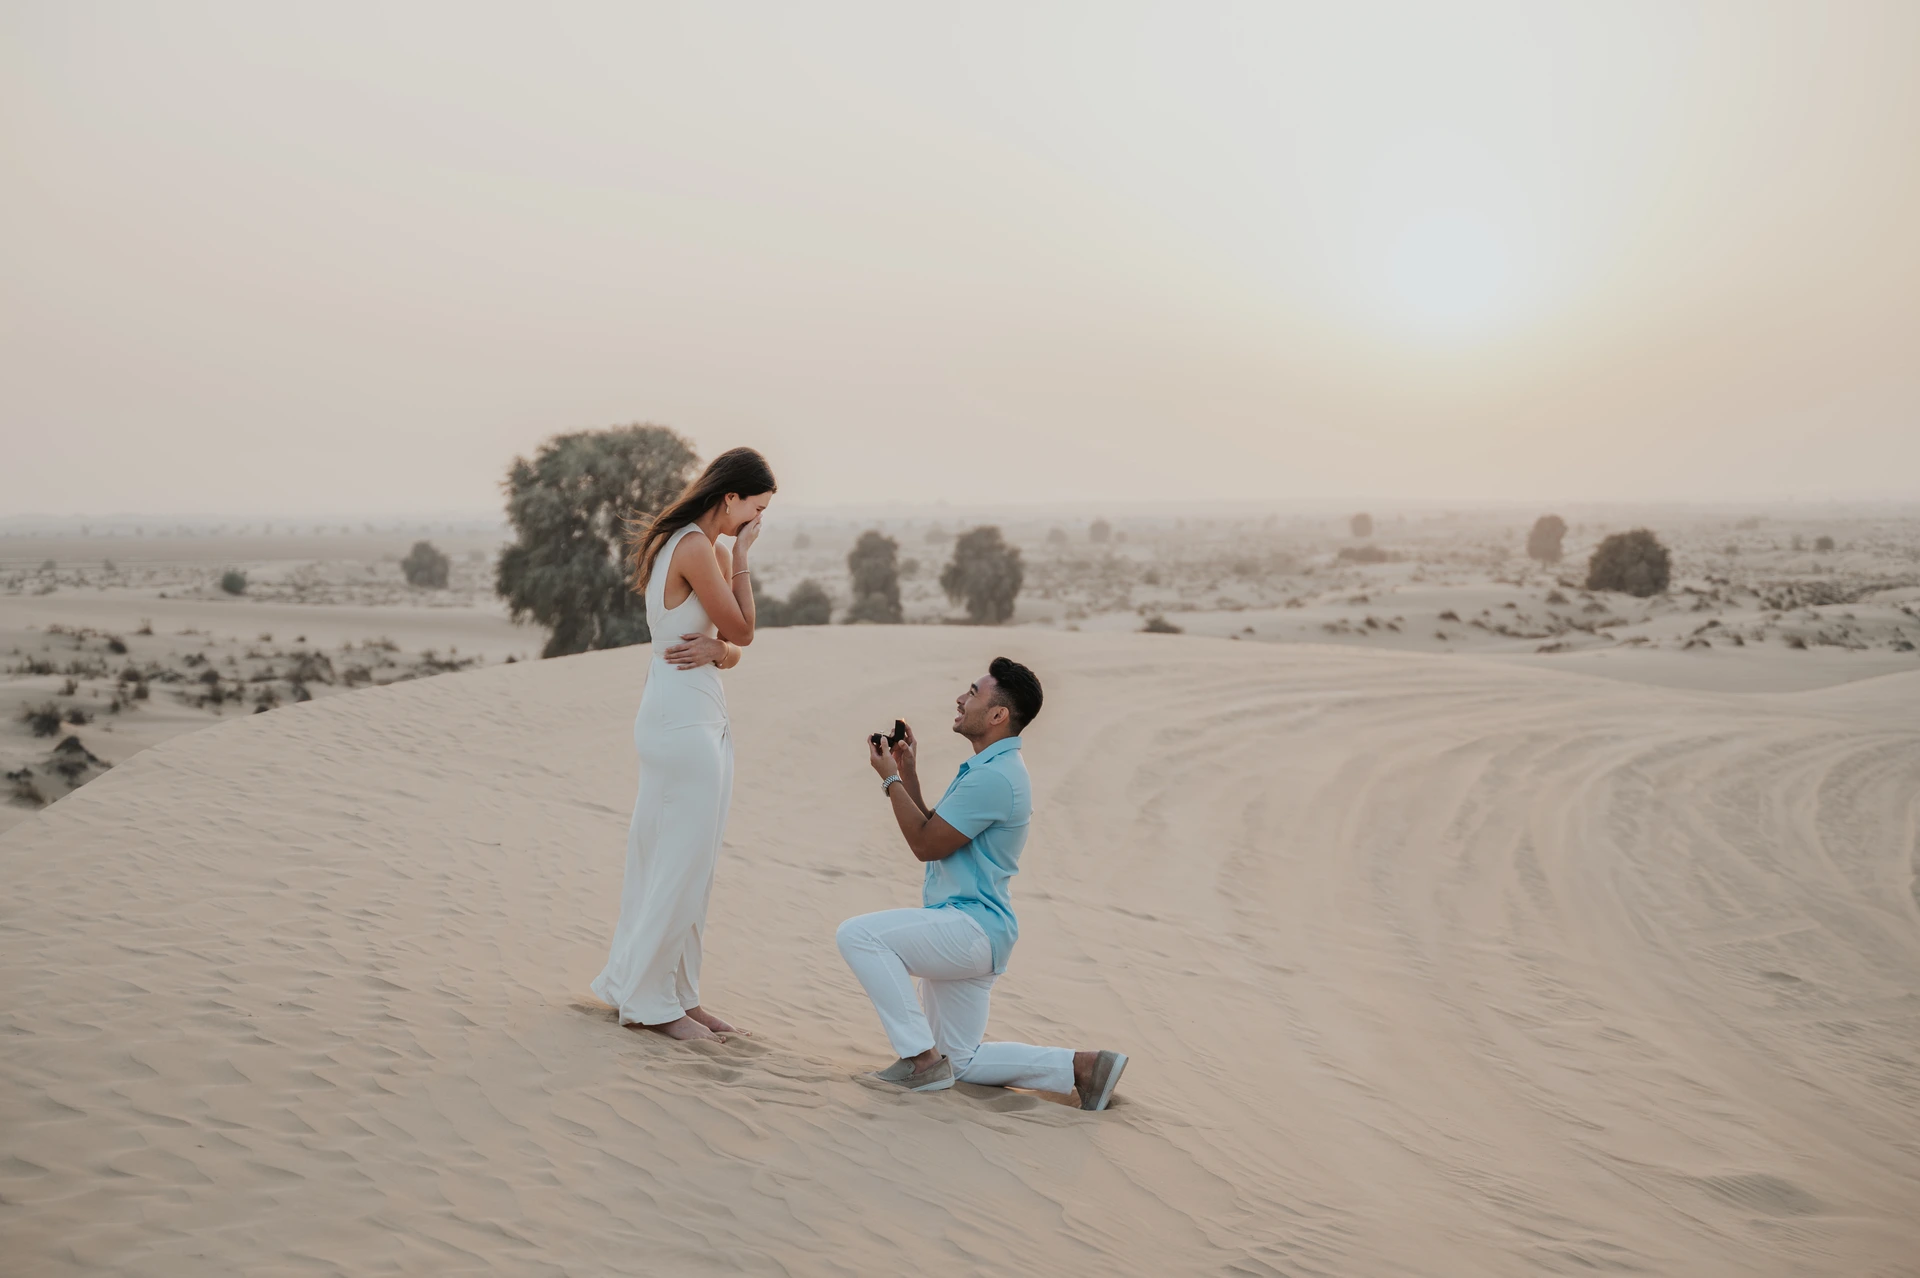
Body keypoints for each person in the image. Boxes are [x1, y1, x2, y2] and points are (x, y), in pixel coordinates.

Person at [836, 657, 1129, 1110]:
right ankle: (1083, 1068)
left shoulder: (995, 776)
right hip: (975, 931)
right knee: (962, 1061)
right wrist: (907, 771)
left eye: (972, 692)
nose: (960, 698)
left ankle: (919, 1062)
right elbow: (938, 831)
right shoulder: (990, 769)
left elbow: (925, 845)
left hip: (969, 928)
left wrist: (889, 779)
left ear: (998, 715)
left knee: (859, 935)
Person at [590, 447, 775, 1042]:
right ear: (731, 499)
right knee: (676, 863)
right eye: (756, 509)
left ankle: (677, 994)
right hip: (680, 721)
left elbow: (730, 645)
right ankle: (649, 1001)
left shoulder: (705, 547)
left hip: (703, 715)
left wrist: (722, 652)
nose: (756, 521)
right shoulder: (698, 547)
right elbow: (743, 629)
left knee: (694, 866)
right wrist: (743, 558)